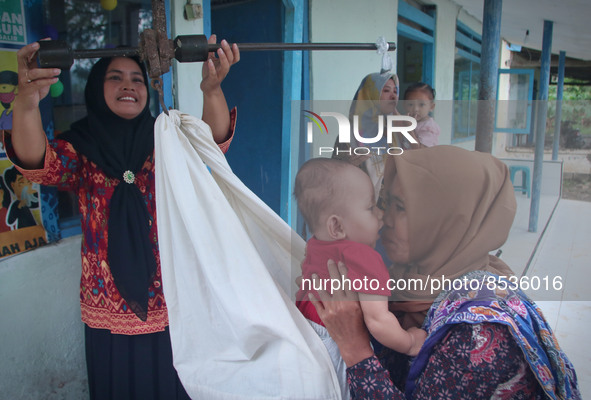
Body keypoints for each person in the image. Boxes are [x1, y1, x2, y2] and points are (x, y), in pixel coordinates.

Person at [6, 35, 239, 399]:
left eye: (136, 78)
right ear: (97, 90)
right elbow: (38, 164)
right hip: (106, 303)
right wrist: (26, 102)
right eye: (115, 77)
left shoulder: (167, 138)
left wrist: (212, 89)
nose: (128, 85)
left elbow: (213, 145)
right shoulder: (82, 146)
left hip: (172, 298)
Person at [309, 145, 581, 399]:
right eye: (385, 202)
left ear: (448, 222)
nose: (384, 220)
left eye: (401, 208)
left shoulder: (478, 336)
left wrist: (355, 348)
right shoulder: (413, 278)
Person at [294, 157, 426, 357]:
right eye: (370, 208)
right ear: (337, 227)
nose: (380, 214)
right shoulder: (364, 258)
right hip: (335, 345)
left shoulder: (314, 246)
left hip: (303, 333)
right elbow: (378, 321)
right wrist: (409, 343)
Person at [333, 72, 402, 201]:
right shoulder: (350, 134)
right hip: (359, 208)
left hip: (391, 209)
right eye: (386, 91)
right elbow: (334, 171)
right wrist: (349, 164)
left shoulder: (398, 128)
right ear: (370, 95)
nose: (393, 96)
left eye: (395, 91)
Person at [402, 82, 439, 148]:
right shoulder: (407, 121)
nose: (415, 109)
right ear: (404, 106)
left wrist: (409, 128)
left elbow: (419, 149)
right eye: (410, 104)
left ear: (431, 107)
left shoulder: (429, 127)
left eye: (421, 104)